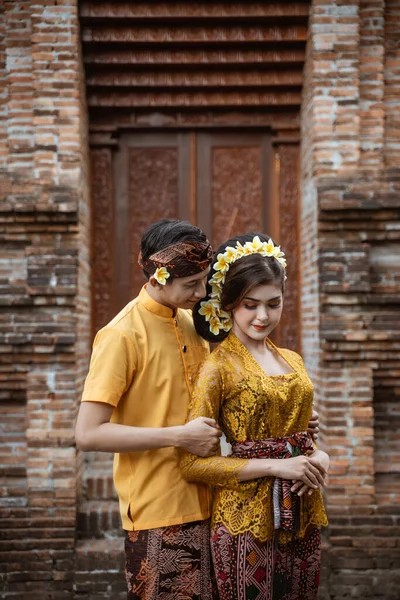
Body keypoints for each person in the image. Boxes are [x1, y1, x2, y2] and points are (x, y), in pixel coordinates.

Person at [75, 219, 222, 600]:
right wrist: (179, 435)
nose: (201, 292)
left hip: (214, 501)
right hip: (158, 515)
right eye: (191, 285)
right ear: (158, 277)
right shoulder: (121, 335)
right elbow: (88, 433)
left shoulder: (192, 324)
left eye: (203, 281)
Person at [180, 232, 329, 600]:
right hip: (244, 520)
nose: (263, 316)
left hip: (302, 513)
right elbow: (193, 465)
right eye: (251, 304)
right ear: (229, 303)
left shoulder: (292, 359)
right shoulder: (217, 367)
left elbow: (305, 436)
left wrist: (319, 457)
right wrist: (277, 466)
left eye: (273, 304)